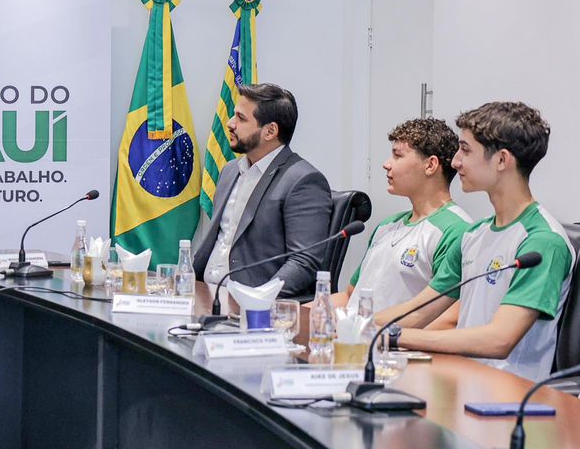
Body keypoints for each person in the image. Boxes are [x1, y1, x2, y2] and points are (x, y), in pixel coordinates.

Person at [386, 102, 574, 381]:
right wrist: (354, 327)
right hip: (461, 380)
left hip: (508, 393)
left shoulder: (542, 241)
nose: (455, 162)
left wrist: (395, 337)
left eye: (465, 150)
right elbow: (419, 311)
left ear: (501, 160)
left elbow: (499, 340)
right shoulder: (474, 234)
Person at [195, 83, 333, 299]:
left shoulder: (303, 181)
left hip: (250, 303)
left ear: (270, 131)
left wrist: (257, 300)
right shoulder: (230, 171)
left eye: (241, 118)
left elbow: (303, 262)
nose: (230, 123)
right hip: (203, 291)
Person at [335, 118, 470, 312]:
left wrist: (370, 328)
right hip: (354, 327)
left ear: (430, 165)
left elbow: (449, 317)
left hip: (388, 331)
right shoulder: (386, 226)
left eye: (397, 156)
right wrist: (299, 310)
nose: (386, 164)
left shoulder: (456, 230)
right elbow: (350, 296)